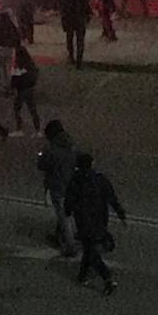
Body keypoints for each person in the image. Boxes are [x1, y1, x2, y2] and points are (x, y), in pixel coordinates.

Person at [64, 153, 126, 296]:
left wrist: (68, 212)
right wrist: (120, 213)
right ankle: (82, 275)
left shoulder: (75, 181)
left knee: (90, 251)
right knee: (89, 249)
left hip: (84, 221)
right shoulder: (100, 179)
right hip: (100, 220)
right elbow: (111, 197)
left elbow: (69, 201)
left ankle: (107, 279)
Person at [38, 119, 78, 257]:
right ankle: (58, 236)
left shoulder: (51, 149)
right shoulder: (71, 144)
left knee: (63, 216)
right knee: (64, 214)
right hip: (72, 184)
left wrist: (41, 154)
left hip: (58, 186)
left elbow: (42, 165)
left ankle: (70, 246)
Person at [9, 44, 41, 137]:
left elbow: (14, 80)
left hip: (21, 90)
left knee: (17, 109)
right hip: (30, 89)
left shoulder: (18, 66)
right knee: (33, 110)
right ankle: (37, 130)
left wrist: (12, 89)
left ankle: (19, 129)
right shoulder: (30, 65)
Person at [60, 0, 91, 69]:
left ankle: (72, 57)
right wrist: (87, 19)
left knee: (70, 40)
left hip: (71, 21)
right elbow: (87, 10)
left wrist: (64, 22)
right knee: (79, 41)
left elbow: (63, 12)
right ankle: (79, 59)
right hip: (79, 22)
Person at [0, 8, 20, 92]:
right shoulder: (11, 25)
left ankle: (5, 84)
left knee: (1, 68)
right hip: (9, 49)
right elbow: (17, 37)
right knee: (10, 67)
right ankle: (11, 84)